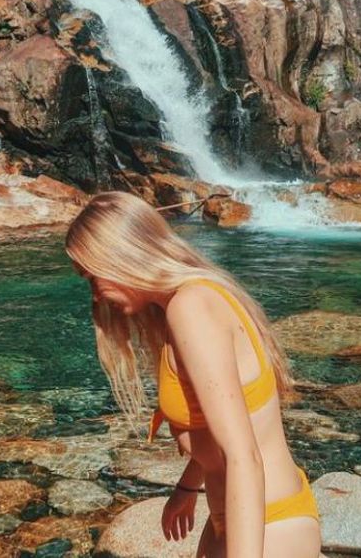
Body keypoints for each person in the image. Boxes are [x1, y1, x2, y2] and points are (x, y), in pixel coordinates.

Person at [65, 192, 320, 557]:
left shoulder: (192, 308)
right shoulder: (189, 301)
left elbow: (243, 454)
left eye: (93, 277)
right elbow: (215, 430)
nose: (95, 295)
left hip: (268, 526)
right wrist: (187, 488)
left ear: (123, 256)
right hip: (239, 520)